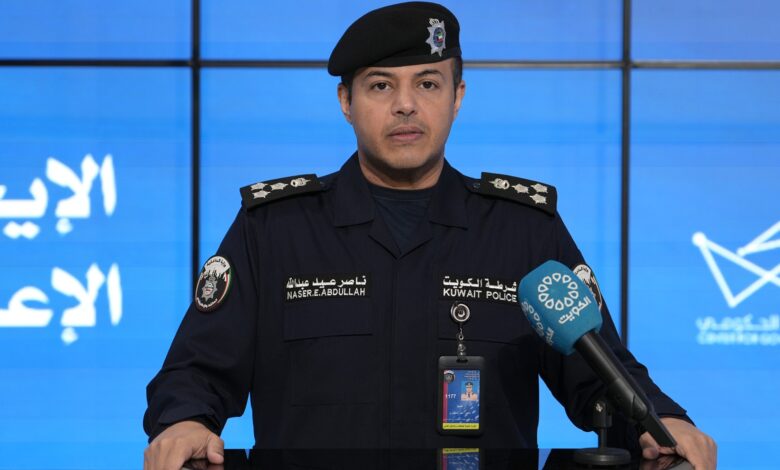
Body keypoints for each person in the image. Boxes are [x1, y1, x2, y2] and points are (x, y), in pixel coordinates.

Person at [143, 2, 717, 469]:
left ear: (457, 97)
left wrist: (662, 420)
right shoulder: (274, 230)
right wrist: (185, 421)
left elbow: (603, 374)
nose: (406, 105)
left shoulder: (524, 231)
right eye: (380, 86)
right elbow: (197, 370)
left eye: (427, 83)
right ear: (346, 102)